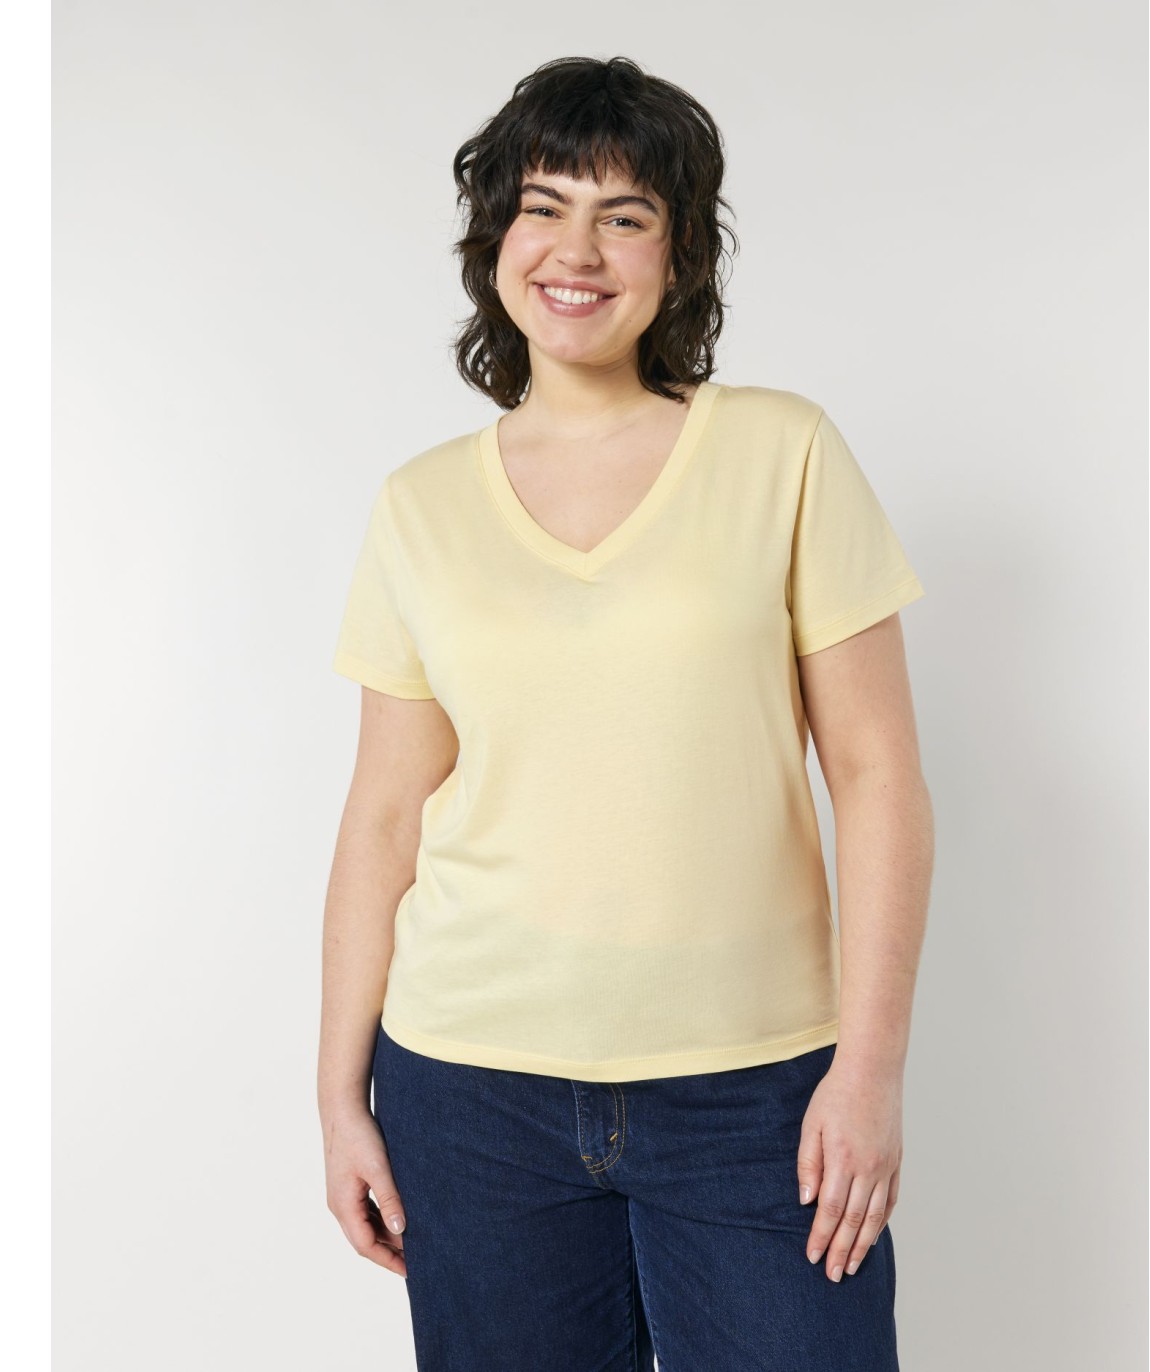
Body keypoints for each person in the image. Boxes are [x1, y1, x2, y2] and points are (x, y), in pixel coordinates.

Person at [318, 54, 934, 1372]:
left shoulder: (783, 452)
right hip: (470, 1091)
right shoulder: (420, 505)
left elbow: (878, 772)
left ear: (680, 254)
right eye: (543, 207)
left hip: (757, 1092)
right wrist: (338, 1095)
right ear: (496, 239)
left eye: (626, 215)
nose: (577, 250)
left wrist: (870, 1071)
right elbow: (383, 818)